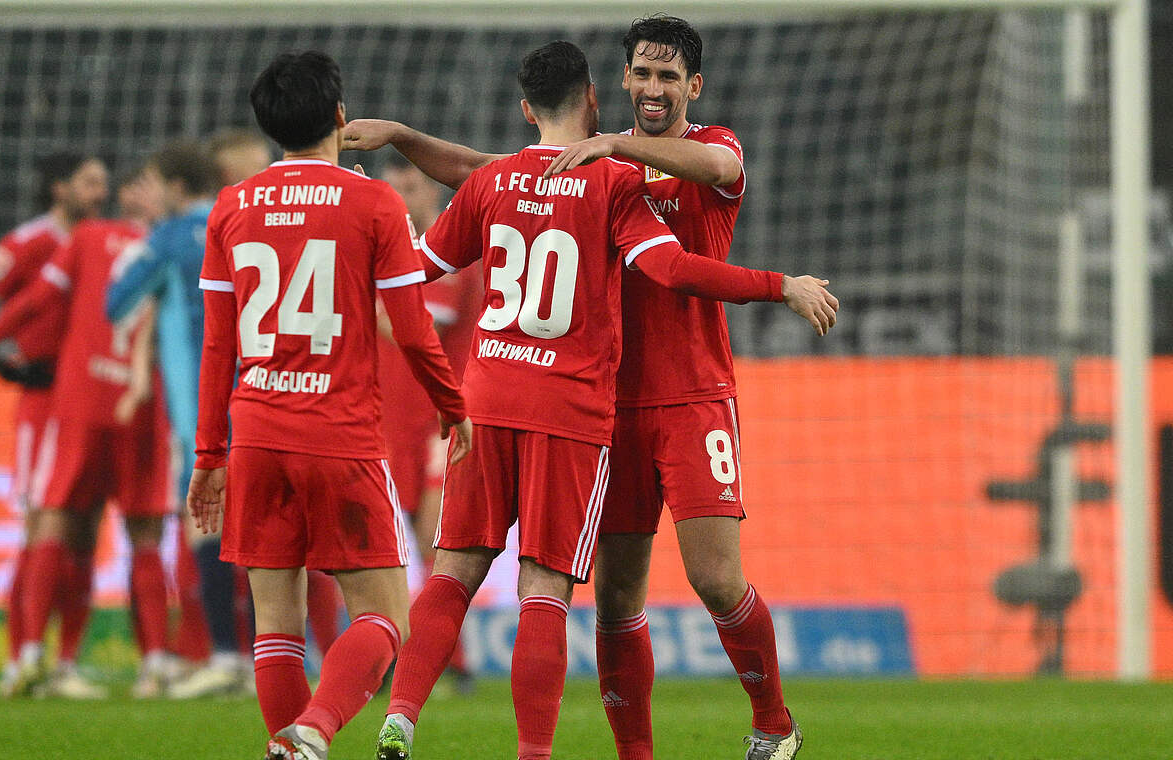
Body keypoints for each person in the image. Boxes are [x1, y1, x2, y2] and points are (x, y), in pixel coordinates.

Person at [346, 17, 834, 760]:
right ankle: (635, 754)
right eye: (642, 73)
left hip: (694, 395)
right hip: (603, 407)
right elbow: (492, 170)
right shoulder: (599, 166)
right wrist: (409, 138)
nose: (653, 88)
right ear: (619, 82)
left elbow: (709, 172)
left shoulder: (712, 147)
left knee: (714, 577)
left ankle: (774, 719)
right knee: (613, 600)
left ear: (693, 87)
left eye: (669, 77)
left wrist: (614, 146)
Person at [186, 50, 472, 760]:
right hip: (339, 434)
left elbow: (217, 348)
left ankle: (289, 744)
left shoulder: (231, 206)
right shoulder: (376, 203)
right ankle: (312, 731)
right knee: (386, 616)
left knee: (275, 624)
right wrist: (452, 405)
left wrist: (208, 455)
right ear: (341, 120)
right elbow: (411, 327)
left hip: (254, 431)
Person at [0, 205, 176, 699]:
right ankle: (155, 665)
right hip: (140, 403)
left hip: (80, 400)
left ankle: (31, 656)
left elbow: (39, 297)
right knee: (144, 534)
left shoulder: (88, 237)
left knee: (54, 523)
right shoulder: (170, 239)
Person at [0, 152, 110, 700]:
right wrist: (6, 365)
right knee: (45, 524)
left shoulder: (103, 241)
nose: (99, 193)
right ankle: (21, 659)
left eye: (103, 183)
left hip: (89, 402)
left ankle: (64, 664)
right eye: (89, 183)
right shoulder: (30, 242)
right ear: (58, 188)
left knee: (84, 530)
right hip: (45, 404)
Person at [106, 141, 249, 697]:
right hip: (266, 394)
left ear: (173, 185)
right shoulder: (241, 219)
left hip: (202, 407)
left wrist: (150, 246)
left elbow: (115, 303)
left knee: (204, 526)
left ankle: (227, 657)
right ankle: (269, 658)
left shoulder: (168, 239)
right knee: (265, 536)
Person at [375, 156, 482, 693]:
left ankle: (450, 661)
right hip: (385, 419)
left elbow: (415, 331)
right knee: (391, 544)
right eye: (391, 190)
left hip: (442, 420)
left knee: (434, 542)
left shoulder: (451, 258)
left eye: (409, 187)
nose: (401, 199)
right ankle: (402, 655)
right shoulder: (383, 254)